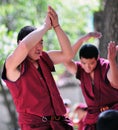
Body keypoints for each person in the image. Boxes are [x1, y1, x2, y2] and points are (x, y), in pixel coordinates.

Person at [1, 6, 74, 130]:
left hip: (60, 123)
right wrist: (45, 27)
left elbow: (68, 54)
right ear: (19, 43)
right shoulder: (13, 65)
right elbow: (24, 46)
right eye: (35, 43)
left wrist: (56, 26)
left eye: (41, 42)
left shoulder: (44, 58)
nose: (39, 47)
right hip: (35, 126)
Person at [63, 32, 118, 130]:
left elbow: (115, 83)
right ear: (80, 60)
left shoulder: (105, 65)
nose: (87, 67)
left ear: (97, 58)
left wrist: (112, 61)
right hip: (93, 117)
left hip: (112, 115)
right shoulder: (80, 70)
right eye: (84, 63)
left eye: (91, 63)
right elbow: (66, 60)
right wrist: (81, 40)